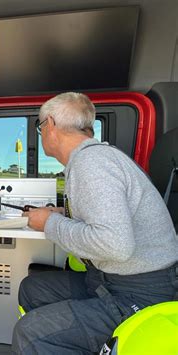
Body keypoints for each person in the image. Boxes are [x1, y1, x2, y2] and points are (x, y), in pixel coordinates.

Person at [11, 92, 178, 354]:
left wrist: (49, 224)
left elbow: (115, 245)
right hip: (109, 279)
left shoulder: (92, 163)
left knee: (32, 333)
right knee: (34, 289)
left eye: (40, 126)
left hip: (139, 294)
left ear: (50, 125)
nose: (42, 133)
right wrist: (60, 214)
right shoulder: (95, 159)